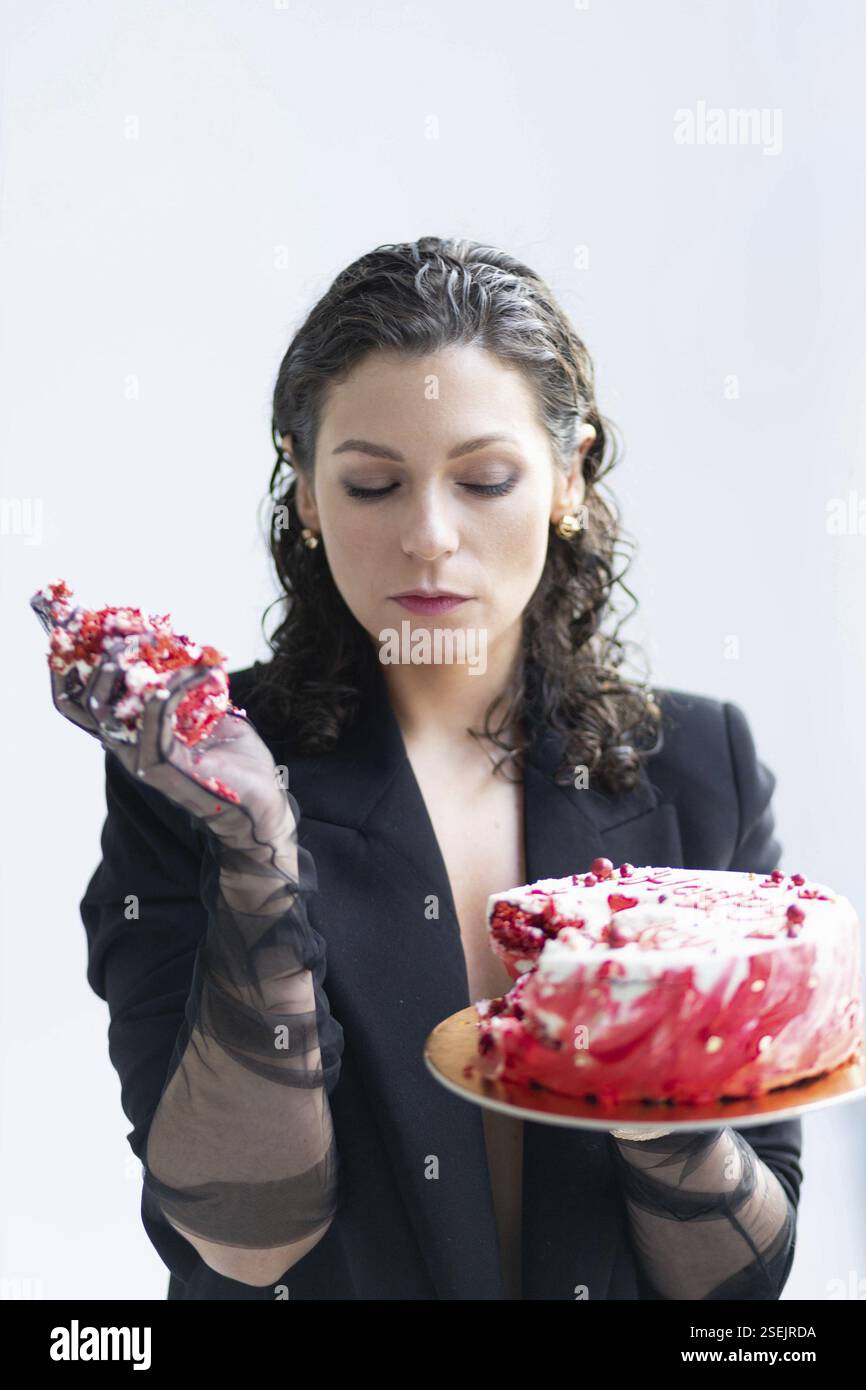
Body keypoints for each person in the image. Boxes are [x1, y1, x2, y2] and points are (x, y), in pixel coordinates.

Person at [48, 236, 801, 1300]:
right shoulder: (197, 763)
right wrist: (255, 847)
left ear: (566, 477)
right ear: (305, 496)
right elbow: (244, 1238)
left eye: (484, 478)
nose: (429, 537)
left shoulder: (695, 769)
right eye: (370, 485)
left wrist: (651, 1075)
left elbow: (736, 1291)